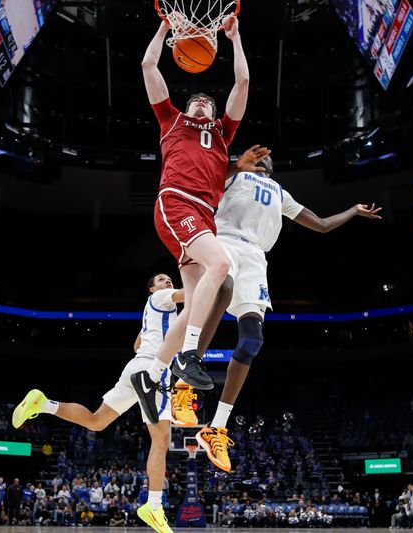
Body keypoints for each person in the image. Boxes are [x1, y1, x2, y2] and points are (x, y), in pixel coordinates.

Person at [176, 151, 382, 470]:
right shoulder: (234, 175)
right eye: (256, 157)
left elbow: (323, 225)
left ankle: (215, 427)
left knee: (252, 341)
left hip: (256, 258)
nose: (262, 160)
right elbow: (206, 174)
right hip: (225, 242)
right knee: (223, 288)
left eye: (267, 159)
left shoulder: (281, 194)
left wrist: (353, 211)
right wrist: (235, 164)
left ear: (274, 169)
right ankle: (185, 381)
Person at [135, 12, 250, 410]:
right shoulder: (171, 120)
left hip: (204, 216)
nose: (201, 101)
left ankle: (151, 374)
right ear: (187, 107)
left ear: (214, 113)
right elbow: (149, 65)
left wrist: (235, 40)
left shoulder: (224, 132)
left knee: (204, 292)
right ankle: (188, 356)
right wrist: (166, 27)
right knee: (220, 266)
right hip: (177, 202)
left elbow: (243, 82)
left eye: (207, 101)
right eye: (196, 99)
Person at [12, 273, 185, 533]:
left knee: (96, 421)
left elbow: (137, 343)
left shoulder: (152, 313)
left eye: (169, 279)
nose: (167, 281)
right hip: (153, 370)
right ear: (152, 289)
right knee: (161, 440)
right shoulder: (162, 299)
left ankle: (45, 404)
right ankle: (154, 505)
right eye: (161, 279)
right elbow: (193, 293)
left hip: (135, 367)